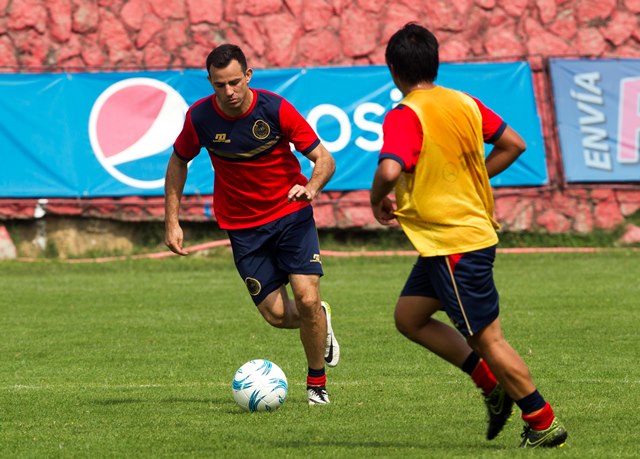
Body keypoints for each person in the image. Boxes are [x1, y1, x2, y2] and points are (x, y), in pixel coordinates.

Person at [370, 23, 568, 448]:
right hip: (452, 241)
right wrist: (473, 175)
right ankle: (492, 387)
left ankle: (542, 421)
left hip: (453, 245)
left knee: (488, 338)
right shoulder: (464, 102)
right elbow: (514, 144)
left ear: (392, 69)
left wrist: (377, 200)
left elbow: (389, 169)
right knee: (409, 317)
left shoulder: (406, 114)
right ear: (435, 63)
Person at [164, 44, 340, 405]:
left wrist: (311, 187)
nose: (228, 92)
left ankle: (316, 385)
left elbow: (324, 159)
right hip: (243, 229)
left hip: (291, 215)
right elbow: (178, 161)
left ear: (248, 76)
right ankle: (319, 320)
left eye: (233, 82)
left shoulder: (275, 109)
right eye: (218, 85)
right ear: (210, 82)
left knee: (306, 298)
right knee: (277, 316)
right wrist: (172, 221)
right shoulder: (199, 118)